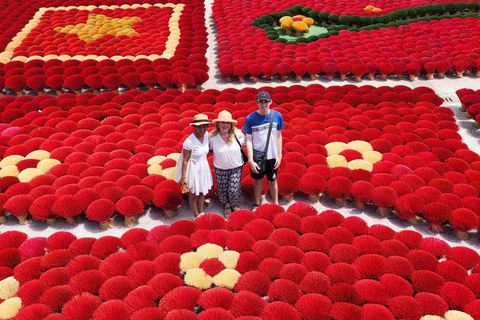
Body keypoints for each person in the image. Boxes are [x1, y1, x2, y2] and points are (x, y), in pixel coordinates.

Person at [244, 91, 284, 212]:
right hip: (258, 155)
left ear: (270, 102)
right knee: (258, 180)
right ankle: (257, 203)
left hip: (272, 155)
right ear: (257, 103)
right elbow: (248, 140)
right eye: (261, 102)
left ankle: (276, 203)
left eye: (266, 102)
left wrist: (279, 155)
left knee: (273, 180)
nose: (263, 104)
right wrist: (250, 159)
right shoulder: (250, 118)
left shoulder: (277, 116)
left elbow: (278, 136)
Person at [209, 110, 246, 217]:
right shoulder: (212, 137)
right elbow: (209, 149)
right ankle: (227, 205)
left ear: (231, 124)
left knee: (233, 190)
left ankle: (235, 204)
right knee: (222, 190)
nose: (225, 125)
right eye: (223, 122)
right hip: (220, 168)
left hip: (236, 167)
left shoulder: (237, 134)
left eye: (227, 123)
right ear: (218, 124)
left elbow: (246, 142)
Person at [177, 113, 213, 218]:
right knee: (193, 194)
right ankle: (195, 215)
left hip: (204, 167)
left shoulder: (207, 135)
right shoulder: (189, 141)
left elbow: (207, 150)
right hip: (193, 168)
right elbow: (185, 160)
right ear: (195, 127)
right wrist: (183, 178)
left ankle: (200, 212)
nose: (202, 129)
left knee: (202, 191)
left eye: (204, 126)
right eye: (199, 127)